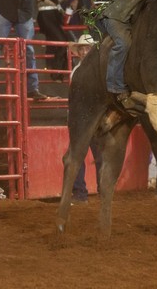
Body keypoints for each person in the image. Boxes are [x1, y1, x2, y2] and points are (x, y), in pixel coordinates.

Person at [69, 34, 103, 202]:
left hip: (94, 120)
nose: (83, 51)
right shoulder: (77, 72)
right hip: (82, 121)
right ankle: (80, 193)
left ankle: (97, 192)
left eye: (86, 48)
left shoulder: (97, 70)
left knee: (100, 158)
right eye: (81, 48)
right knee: (79, 158)